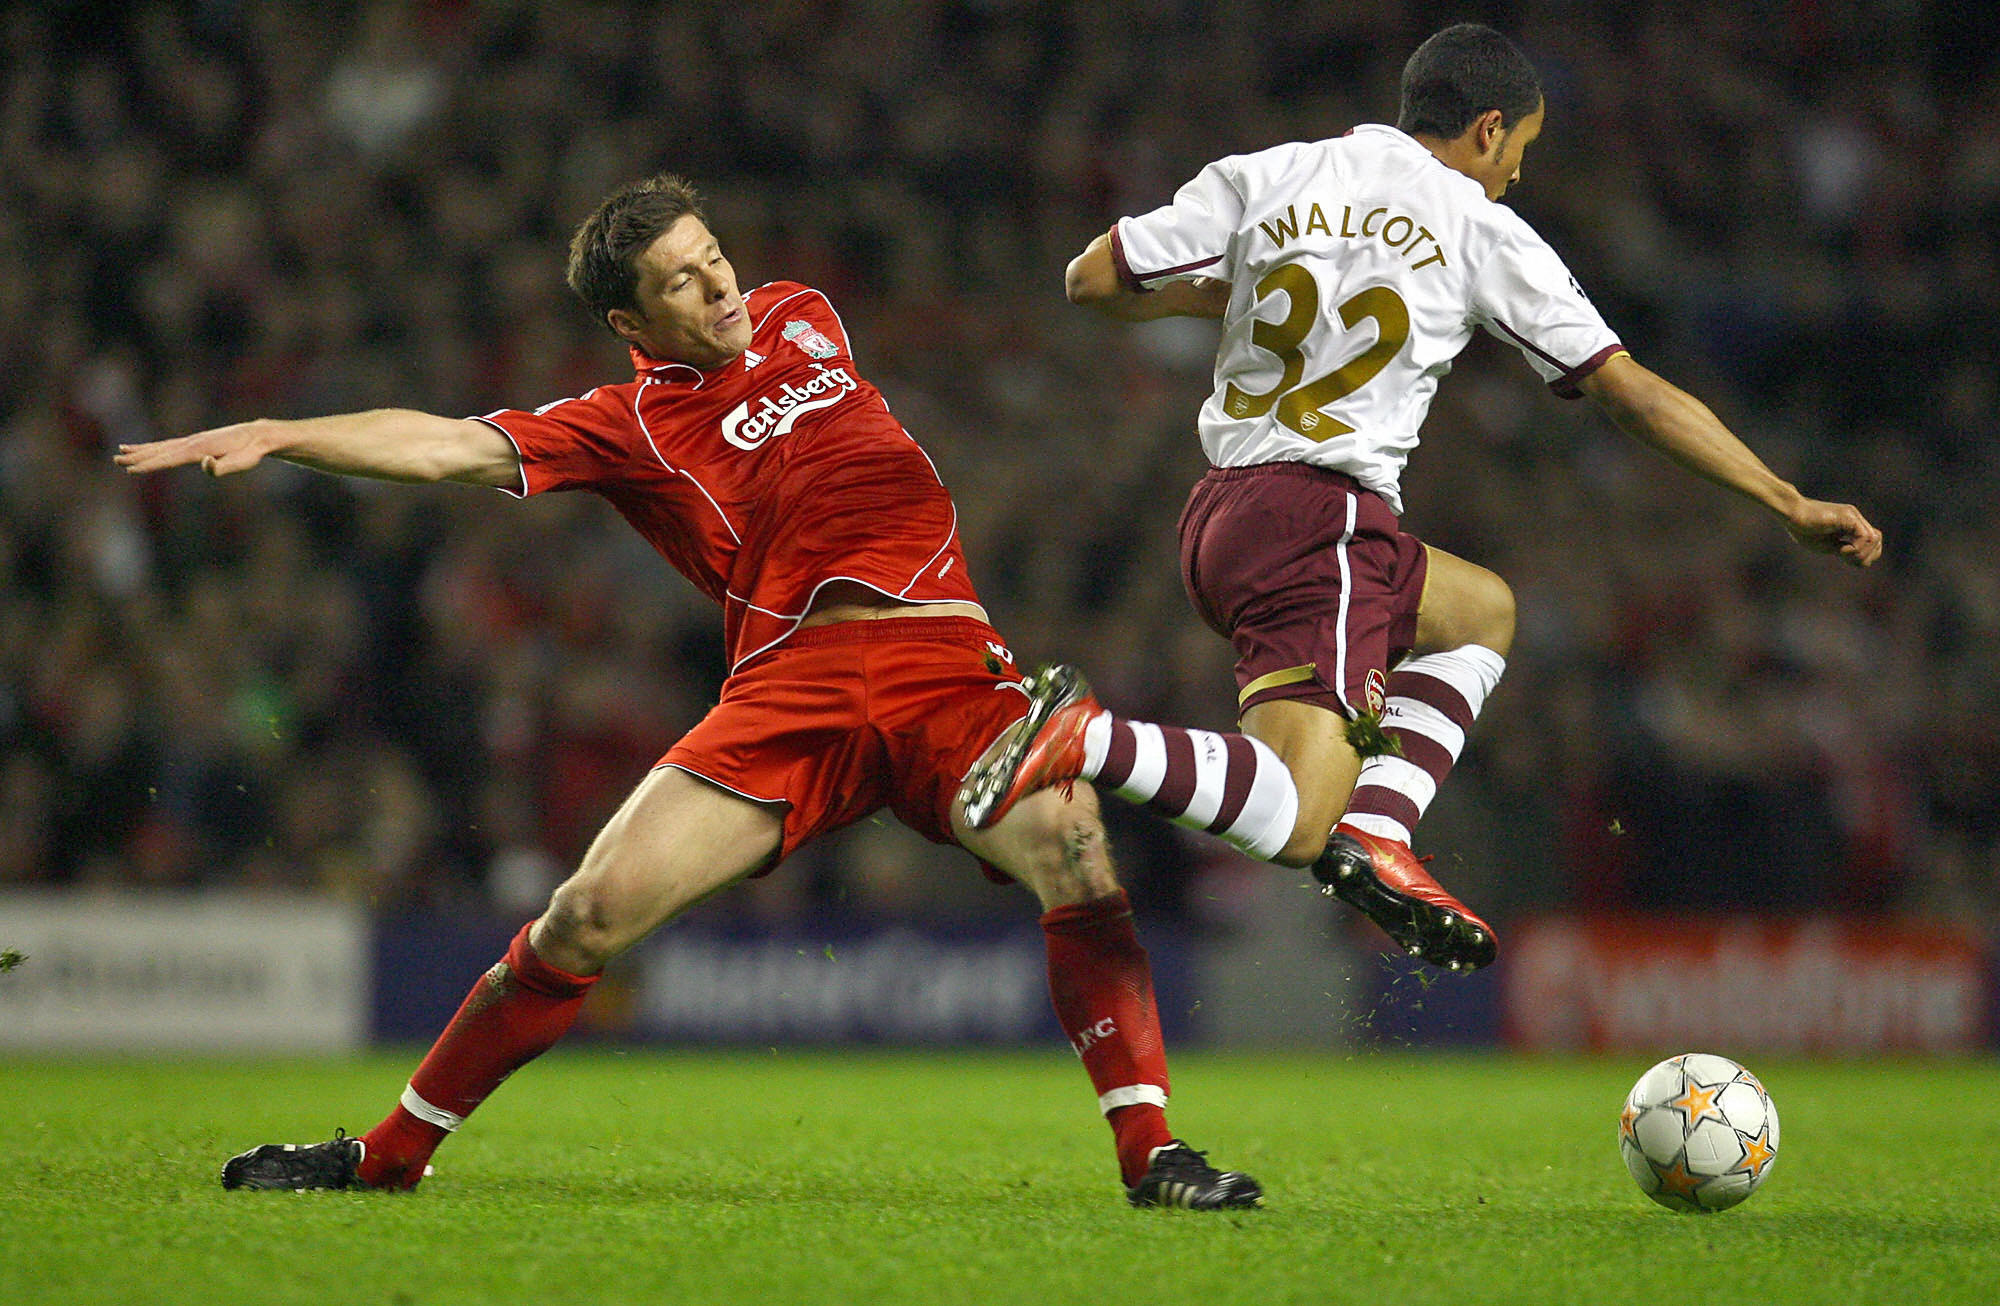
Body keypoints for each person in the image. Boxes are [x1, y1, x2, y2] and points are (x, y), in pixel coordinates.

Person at [115, 174, 1262, 1210]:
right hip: (790, 687)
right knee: (584, 914)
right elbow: (449, 447)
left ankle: (1149, 1152)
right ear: (630, 323)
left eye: (712, 252)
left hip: (941, 662)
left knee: (1073, 850)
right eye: (680, 278)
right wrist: (280, 433)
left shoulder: (805, 311)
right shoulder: (626, 424)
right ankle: (385, 1155)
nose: (717, 283)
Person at [961, 23, 1882, 971]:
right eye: (1519, 151)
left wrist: (1250, 291)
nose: (1516, 175)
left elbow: (1093, 279)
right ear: (1488, 129)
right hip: (1326, 518)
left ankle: (1382, 833)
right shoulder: (1476, 223)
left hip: (1222, 516)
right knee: (1295, 820)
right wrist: (1785, 500)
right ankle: (1088, 739)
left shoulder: (1269, 173)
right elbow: (1628, 391)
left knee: (1483, 610)